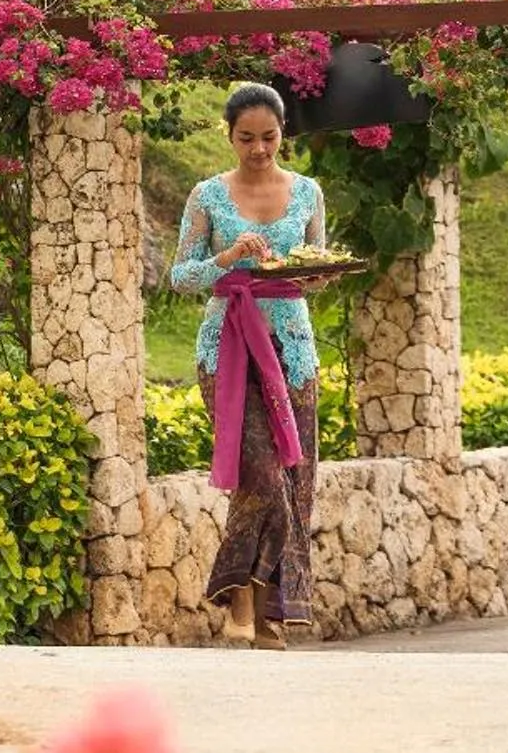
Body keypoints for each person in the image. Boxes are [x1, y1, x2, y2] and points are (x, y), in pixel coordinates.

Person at [167, 81, 332, 649]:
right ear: (228, 134)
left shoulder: (308, 192)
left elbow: (315, 263)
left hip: (293, 348)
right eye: (246, 138)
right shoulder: (207, 196)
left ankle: (271, 613)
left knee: (295, 479)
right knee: (260, 474)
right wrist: (229, 256)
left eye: (269, 137)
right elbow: (180, 276)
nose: (259, 148)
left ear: (283, 132)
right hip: (227, 347)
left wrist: (316, 275)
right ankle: (239, 593)